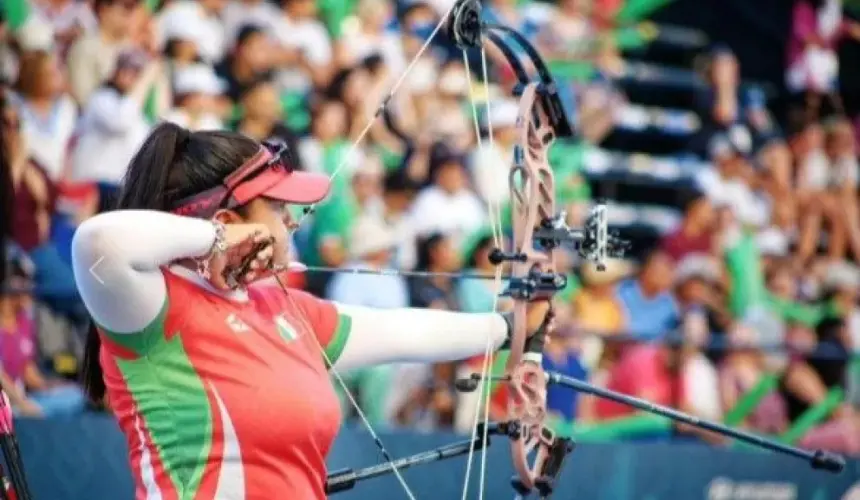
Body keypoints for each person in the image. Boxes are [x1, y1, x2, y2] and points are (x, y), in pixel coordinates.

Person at [72, 122, 551, 500]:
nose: (290, 222)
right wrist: (216, 240)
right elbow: (98, 242)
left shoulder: (282, 306)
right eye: (278, 210)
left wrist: (510, 327)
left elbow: (398, 331)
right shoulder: (154, 310)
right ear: (229, 221)